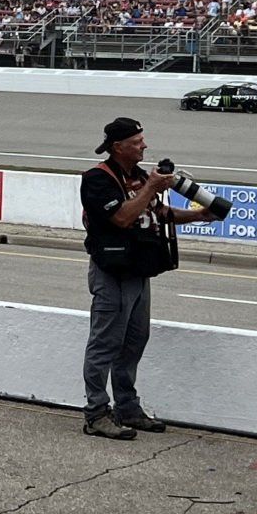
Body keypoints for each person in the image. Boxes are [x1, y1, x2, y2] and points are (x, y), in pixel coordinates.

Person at [79, 117, 211, 440]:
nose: (144, 146)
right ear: (118, 147)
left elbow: (158, 214)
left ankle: (127, 407)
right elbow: (123, 216)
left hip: (139, 271)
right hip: (112, 273)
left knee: (135, 341)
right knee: (105, 344)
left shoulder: (138, 176)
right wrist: (151, 186)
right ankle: (96, 413)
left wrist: (200, 215)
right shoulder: (97, 179)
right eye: (138, 142)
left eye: (143, 140)